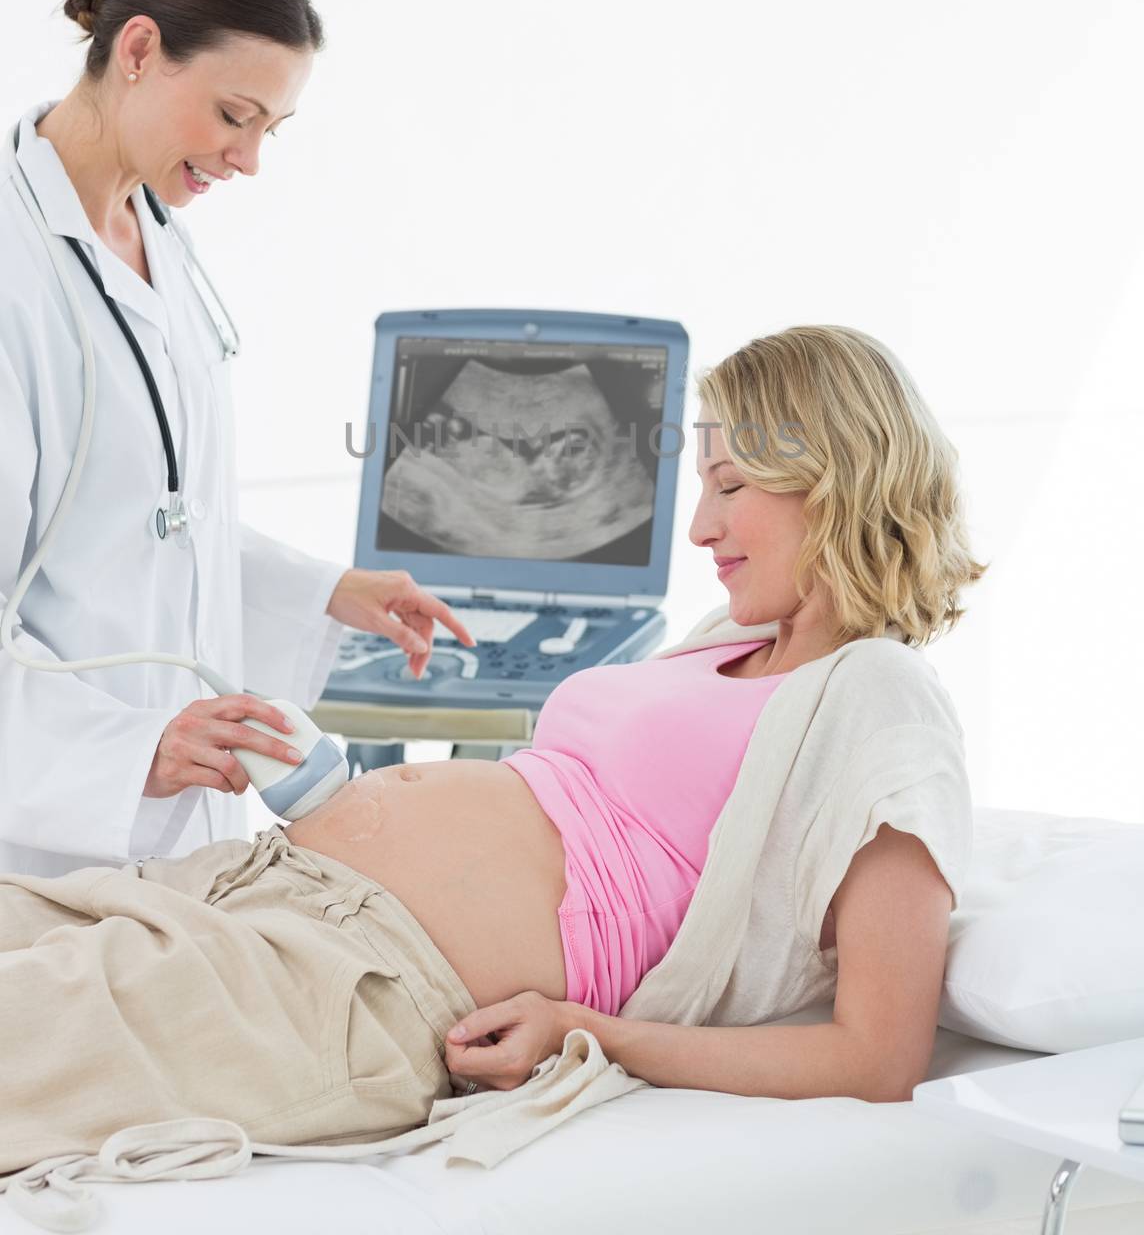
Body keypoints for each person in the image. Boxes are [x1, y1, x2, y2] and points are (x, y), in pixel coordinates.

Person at [0, 324, 988, 1174]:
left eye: (728, 487)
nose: (700, 526)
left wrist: (591, 1035)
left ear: (834, 478)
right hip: (254, 884)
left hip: (353, 984)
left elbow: (877, 1052)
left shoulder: (878, 695)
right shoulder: (724, 642)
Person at [0, 0, 473, 881]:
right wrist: (131, 752)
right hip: (46, 845)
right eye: (233, 115)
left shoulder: (154, 230)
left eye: (271, 128)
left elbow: (150, 516)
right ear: (139, 51)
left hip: (179, 831)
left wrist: (326, 593)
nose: (250, 160)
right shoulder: (15, 269)